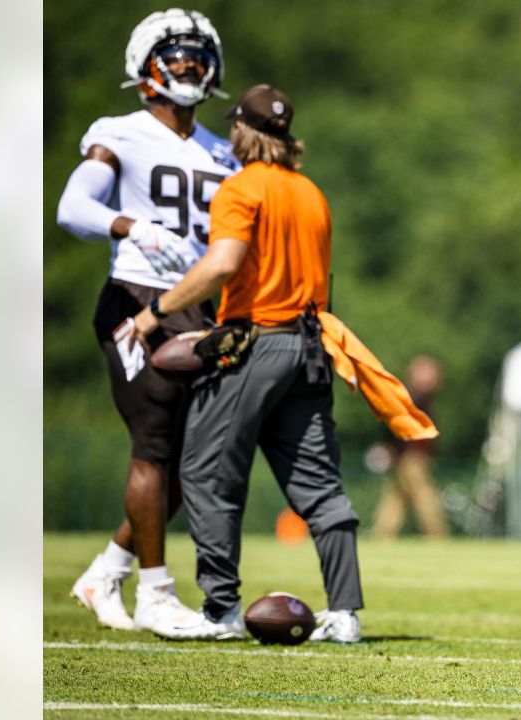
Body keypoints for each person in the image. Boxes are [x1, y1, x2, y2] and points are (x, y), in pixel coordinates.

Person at [124, 85, 369, 642]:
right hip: (310, 349)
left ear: (240, 131)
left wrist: (155, 311)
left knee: (208, 475)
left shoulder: (240, 188)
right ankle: (346, 614)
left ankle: (221, 610)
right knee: (320, 487)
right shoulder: (312, 192)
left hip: (255, 344)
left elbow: (222, 264)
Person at [55, 7, 238, 634]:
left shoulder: (224, 151)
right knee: (154, 444)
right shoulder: (122, 132)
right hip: (135, 299)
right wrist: (132, 225)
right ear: (147, 64)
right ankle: (156, 595)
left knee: (191, 463)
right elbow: (72, 206)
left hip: (199, 306)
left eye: (198, 54)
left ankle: (107, 572)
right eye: (176, 53)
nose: (190, 64)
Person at [371, 355, 449, 539]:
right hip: (412, 456)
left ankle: (381, 535)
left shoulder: (412, 397)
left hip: (403, 455)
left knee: (397, 499)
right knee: (425, 497)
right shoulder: (414, 399)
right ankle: (437, 535)